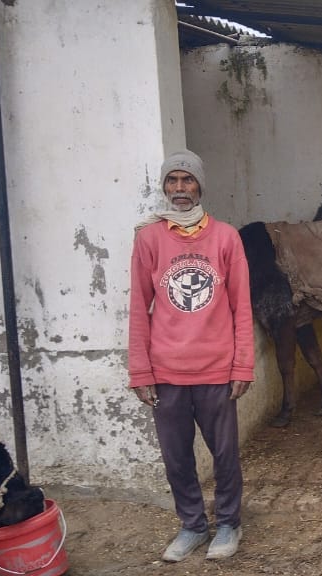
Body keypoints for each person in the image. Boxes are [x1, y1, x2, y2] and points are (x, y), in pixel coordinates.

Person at [127, 150, 255, 562]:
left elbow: (241, 306)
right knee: (177, 457)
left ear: (200, 185)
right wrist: (140, 371)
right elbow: (138, 307)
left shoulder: (225, 238)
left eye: (188, 180)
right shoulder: (149, 238)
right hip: (166, 370)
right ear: (164, 187)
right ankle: (193, 526)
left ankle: (229, 523)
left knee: (225, 455)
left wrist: (242, 364)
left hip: (216, 369)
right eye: (173, 180)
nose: (180, 188)